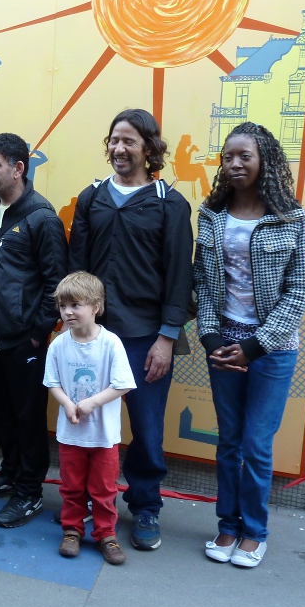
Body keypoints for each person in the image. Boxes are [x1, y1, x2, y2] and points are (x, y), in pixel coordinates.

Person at [68, 108, 193, 551]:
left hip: (145, 336)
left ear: (148, 149)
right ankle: (84, 504)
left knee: (147, 427)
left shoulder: (170, 203)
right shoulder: (92, 197)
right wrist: (71, 327)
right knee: (88, 423)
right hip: (94, 336)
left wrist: (167, 336)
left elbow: (180, 275)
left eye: (130, 141)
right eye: (114, 140)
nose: (119, 149)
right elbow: (76, 270)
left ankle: (145, 507)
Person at [193, 122, 305, 568]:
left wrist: (256, 346)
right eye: (228, 156)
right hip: (224, 343)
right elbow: (203, 282)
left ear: (265, 160)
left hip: (272, 350)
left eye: (245, 155)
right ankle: (227, 526)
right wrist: (211, 337)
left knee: (257, 444)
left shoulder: (290, 218)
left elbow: (298, 290)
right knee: (229, 442)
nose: (236, 163)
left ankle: (254, 532)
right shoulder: (211, 215)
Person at [0, 133, 68, 528]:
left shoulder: (42, 218)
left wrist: (37, 332)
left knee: (28, 416)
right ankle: (10, 473)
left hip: (24, 337)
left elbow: (56, 283)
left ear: (18, 169)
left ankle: (29, 492)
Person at [44, 272, 135, 564]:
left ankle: (106, 534)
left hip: (103, 435)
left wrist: (91, 403)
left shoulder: (111, 343)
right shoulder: (58, 343)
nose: (67, 312)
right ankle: (72, 530)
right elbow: (52, 381)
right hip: (71, 434)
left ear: (95, 306)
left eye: (75, 305)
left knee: (104, 488)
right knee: (71, 486)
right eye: (62, 306)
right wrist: (68, 404)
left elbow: (124, 383)